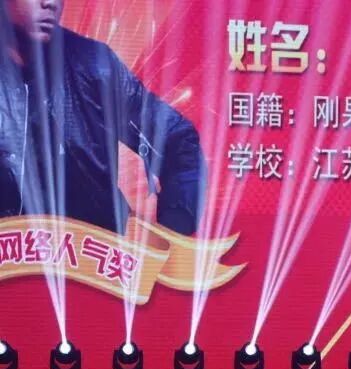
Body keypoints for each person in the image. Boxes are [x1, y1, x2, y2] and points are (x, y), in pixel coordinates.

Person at [0, 0, 206, 235]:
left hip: (91, 252)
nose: (50, 3)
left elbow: (178, 141)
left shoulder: (94, 66)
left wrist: (172, 231)